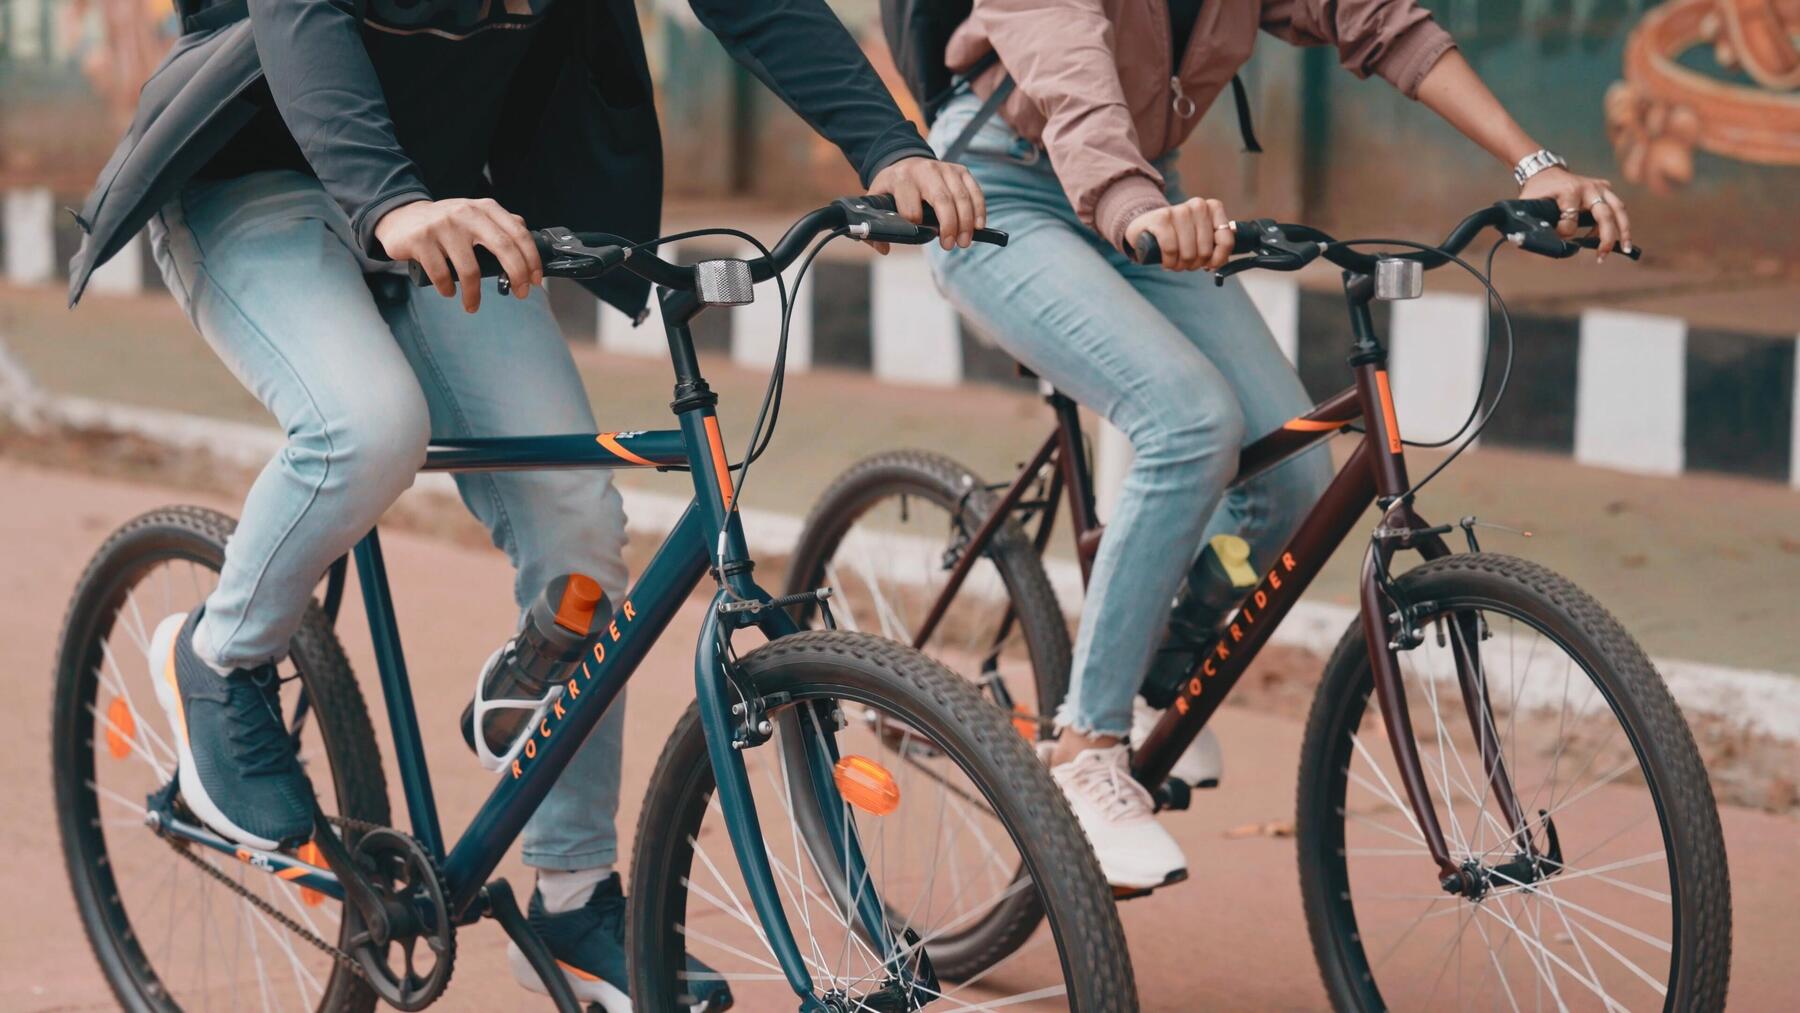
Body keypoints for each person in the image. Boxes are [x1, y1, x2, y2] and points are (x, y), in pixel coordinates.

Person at [68, 0, 983, 1006]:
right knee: (369, 427)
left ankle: (574, 899)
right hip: (257, 180)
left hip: (448, 205)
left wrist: (889, 146)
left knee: (582, 525)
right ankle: (222, 652)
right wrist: (387, 202)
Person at [927, 0, 1631, 892]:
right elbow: (1069, 69)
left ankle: (1164, 662)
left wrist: (1534, 165)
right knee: (1187, 421)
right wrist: (1132, 201)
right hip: (1000, 194)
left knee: (1293, 473)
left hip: (1143, 188)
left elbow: (1383, 24)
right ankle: (1087, 746)